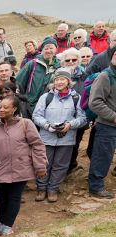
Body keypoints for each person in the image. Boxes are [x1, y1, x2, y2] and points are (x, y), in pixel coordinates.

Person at [0, 96, 47, 235]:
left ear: (14, 109)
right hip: (1, 169)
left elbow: (37, 145)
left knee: (14, 197)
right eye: (0, 106)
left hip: (21, 168)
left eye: (5, 107)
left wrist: (40, 166)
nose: (1, 109)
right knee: (3, 197)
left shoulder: (26, 124)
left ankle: (7, 226)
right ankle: (1, 223)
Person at [32, 69, 87, 202]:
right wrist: (47, 126)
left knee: (61, 165)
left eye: (62, 79)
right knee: (44, 164)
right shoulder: (46, 97)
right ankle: (41, 188)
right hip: (46, 138)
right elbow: (36, 116)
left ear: (68, 81)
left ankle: (53, 189)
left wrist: (70, 124)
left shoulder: (76, 98)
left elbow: (82, 118)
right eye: (56, 79)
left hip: (66, 139)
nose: (59, 82)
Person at [88, 46, 116, 198]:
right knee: (102, 156)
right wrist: (113, 116)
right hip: (108, 125)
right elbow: (95, 102)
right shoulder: (105, 76)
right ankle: (96, 187)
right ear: (111, 56)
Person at [16, 37, 61, 109]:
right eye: (46, 48)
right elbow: (18, 82)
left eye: (51, 48)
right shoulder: (32, 64)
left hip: (50, 106)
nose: (48, 51)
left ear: (56, 49)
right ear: (42, 50)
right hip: (30, 105)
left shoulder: (59, 66)